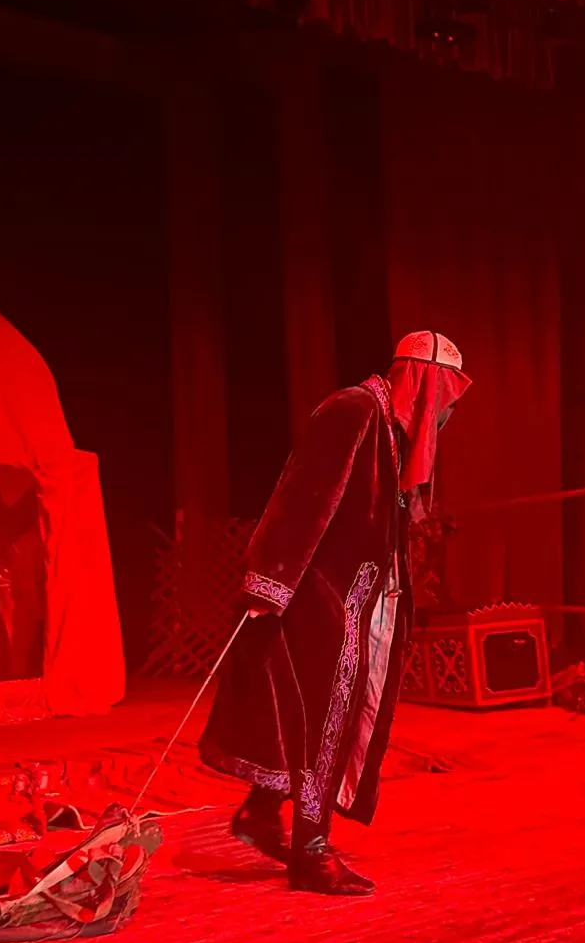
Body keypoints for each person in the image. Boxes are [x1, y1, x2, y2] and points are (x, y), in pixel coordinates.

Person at [199, 331, 471, 896]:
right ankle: (311, 849)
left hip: (360, 597)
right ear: (422, 382)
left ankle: (262, 813)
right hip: (319, 594)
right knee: (326, 719)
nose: (446, 409)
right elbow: (302, 496)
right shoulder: (354, 410)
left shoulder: (392, 431)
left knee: (326, 719)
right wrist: (270, 582)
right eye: (444, 393)